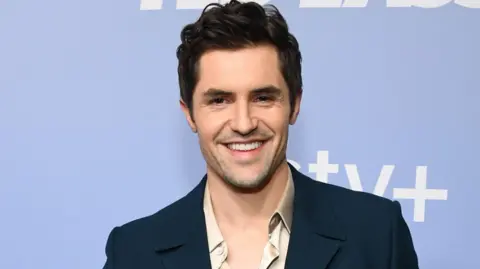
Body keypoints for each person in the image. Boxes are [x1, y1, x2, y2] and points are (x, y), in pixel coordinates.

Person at [102, 1, 419, 268]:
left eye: (263, 97)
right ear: (190, 114)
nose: (243, 123)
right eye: (219, 100)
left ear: (294, 105)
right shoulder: (133, 252)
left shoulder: (377, 235)